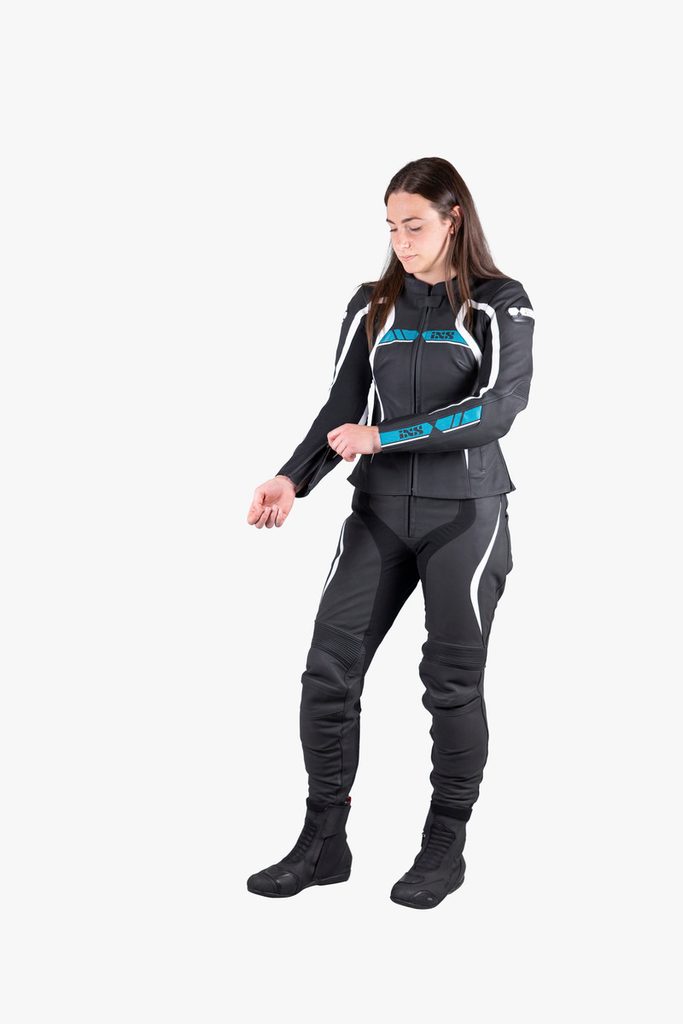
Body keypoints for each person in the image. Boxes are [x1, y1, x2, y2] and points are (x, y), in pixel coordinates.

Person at [245, 156, 535, 909]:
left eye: (415, 226)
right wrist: (292, 478)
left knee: (449, 685)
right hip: (377, 514)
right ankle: (323, 841)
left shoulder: (498, 304)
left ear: (453, 220)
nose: (401, 242)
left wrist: (384, 437)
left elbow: (497, 409)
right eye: (391, 228)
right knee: (327, 673)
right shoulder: (372, 304)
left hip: (464, 516)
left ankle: (444, 844)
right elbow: (341, 405)